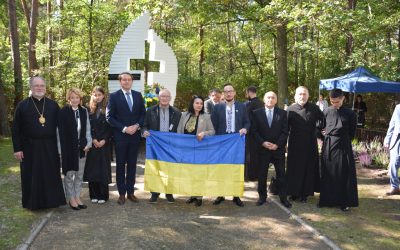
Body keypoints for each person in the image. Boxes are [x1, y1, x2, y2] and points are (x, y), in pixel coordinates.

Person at [11, 76, 66, 210]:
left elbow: (62, 127)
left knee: (50, 174)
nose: (39, 88)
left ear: (45, 88)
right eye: (37, 86)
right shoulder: (22, 105)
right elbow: (15, 129)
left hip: (50, 146)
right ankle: (33, 203)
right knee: (32, 175)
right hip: (29, 147)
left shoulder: (53, 105)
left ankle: (52, 202)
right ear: (31, 87)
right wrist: (17, 149)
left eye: (42, 85)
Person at [106, 72, 146, 205]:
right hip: (121, 137)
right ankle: (121, 193)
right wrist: (124, 128)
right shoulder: (114, 96)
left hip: (134, 137)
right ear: (120, 82)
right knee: (120, 165)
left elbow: (143, 114)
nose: (127, 82)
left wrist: (137, 125)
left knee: (132, 165)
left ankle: (131, 192)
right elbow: (109, 117)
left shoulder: (138, 95)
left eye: (129, 80)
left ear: (132, 82)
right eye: (124, 80)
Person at [318, 88, 358, 211]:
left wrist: (343, 139)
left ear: (343, 99)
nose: (334, 104)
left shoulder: (351, 113)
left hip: (343, 146)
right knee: (328, 172)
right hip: (329, 145)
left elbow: (352, 133)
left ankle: (344, 201)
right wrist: (322, 135)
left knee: (343, 173)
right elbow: (319, 127)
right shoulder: (326, 111)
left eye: (337, 101)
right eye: (332, 101)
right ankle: (327, 200)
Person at [211, 83, 250, 207]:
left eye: (230, 91)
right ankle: (220, 194)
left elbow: (247, 122)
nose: (228, 93)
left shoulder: (242, 106)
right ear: (223, 94)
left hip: (236, 144)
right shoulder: (217, 107)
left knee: (235, 169)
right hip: (221, 143)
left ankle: (236, 195)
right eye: (226, 91)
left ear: (234, 93)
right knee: (221, 169)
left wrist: (245, 129)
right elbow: (213, 125)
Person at [251, 91, 292, 208]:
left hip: (277, 149)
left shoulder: (283, 113)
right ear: (264, 99)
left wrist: (277, 145)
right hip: (263, 149)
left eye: (273, 97)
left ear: (276, 100)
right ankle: (262, 197)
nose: (270, 99)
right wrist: (263, 142)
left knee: (281, 174)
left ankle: (283, 198)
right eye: (268, 97)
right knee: (262, 174)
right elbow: (254, 131)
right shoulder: (256, 113)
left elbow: (285, 132)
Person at [143, 89, 182, 203]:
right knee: (155, 168)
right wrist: (144, 131)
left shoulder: (177, 112)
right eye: (162, 96)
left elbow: (180, 129)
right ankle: (155, 193)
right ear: (158, 98)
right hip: (155, 145)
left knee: (170, 169)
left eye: (167, 96)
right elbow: (144, 125)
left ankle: (169, 193)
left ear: (170, 98)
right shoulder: (150, 111)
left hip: (171, 146)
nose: (164, 98)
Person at [286, 86, 323, 203]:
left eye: (304, 94)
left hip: (310, 144)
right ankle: (294, 192)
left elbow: (323, 121)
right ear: (295, 96)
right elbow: (285, 127)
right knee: (294, 168)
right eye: (300, 94)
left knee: (308, 168)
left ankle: (305, 194)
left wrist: (320, 132)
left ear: (308, 96)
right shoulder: (290, 109)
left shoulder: (314, 108)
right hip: (294, 144)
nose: (302, 96)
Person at [177, 95, 215, 207]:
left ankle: (199, 197)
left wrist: (204, 133)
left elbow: (212, 131)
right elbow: (179, 131)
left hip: (200, 149)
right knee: (189, 172)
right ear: (192, 104)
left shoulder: (206, 117)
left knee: (199, 173)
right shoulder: (184, 115)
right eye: (197, 103)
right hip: (186, 149)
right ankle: (192, 195)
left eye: (201, 103)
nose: (199, 105)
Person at [58, 88, 92, 210]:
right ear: (69, 99)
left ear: (80, 99)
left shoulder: (84, 111)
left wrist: (88, 144)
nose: (75, 100)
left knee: (79, 175)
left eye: (77, 97)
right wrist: (60, 150)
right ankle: (71, 198)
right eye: (72, 97)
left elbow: (87, 129)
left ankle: (77, 196)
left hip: (82, 147)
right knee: (69, 174)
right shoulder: (63, 112)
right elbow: (58, 133)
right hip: (67, 149)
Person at [83, 86, 112, 204]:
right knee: (92, 169)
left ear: (103, 95)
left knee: (103, 169)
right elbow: (87, 127)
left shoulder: (109, 108)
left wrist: (104, 140)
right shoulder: (88, 109)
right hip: (92, 143)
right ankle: (93, 194)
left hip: (105, 144)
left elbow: (111, 127)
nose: (97, 97)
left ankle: (103, 195)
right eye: (95, 95)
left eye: (99, 94)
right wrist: (93, 139)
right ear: (92, 96)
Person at [244, 86, 264, 181]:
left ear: (249, 92)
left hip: (250, 133)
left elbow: (246, 119)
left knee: (250, 154)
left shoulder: (249, 104)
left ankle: (251, 175)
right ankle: (257, 174)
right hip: (260, 133)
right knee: (257, 154)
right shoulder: (261, 103)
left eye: (246, 93)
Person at [383, 104, 400, 195]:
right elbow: (392, 124)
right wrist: (387, 139)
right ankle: (394, 187)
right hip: (397, 140)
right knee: (394, 163)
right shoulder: (398, 107)